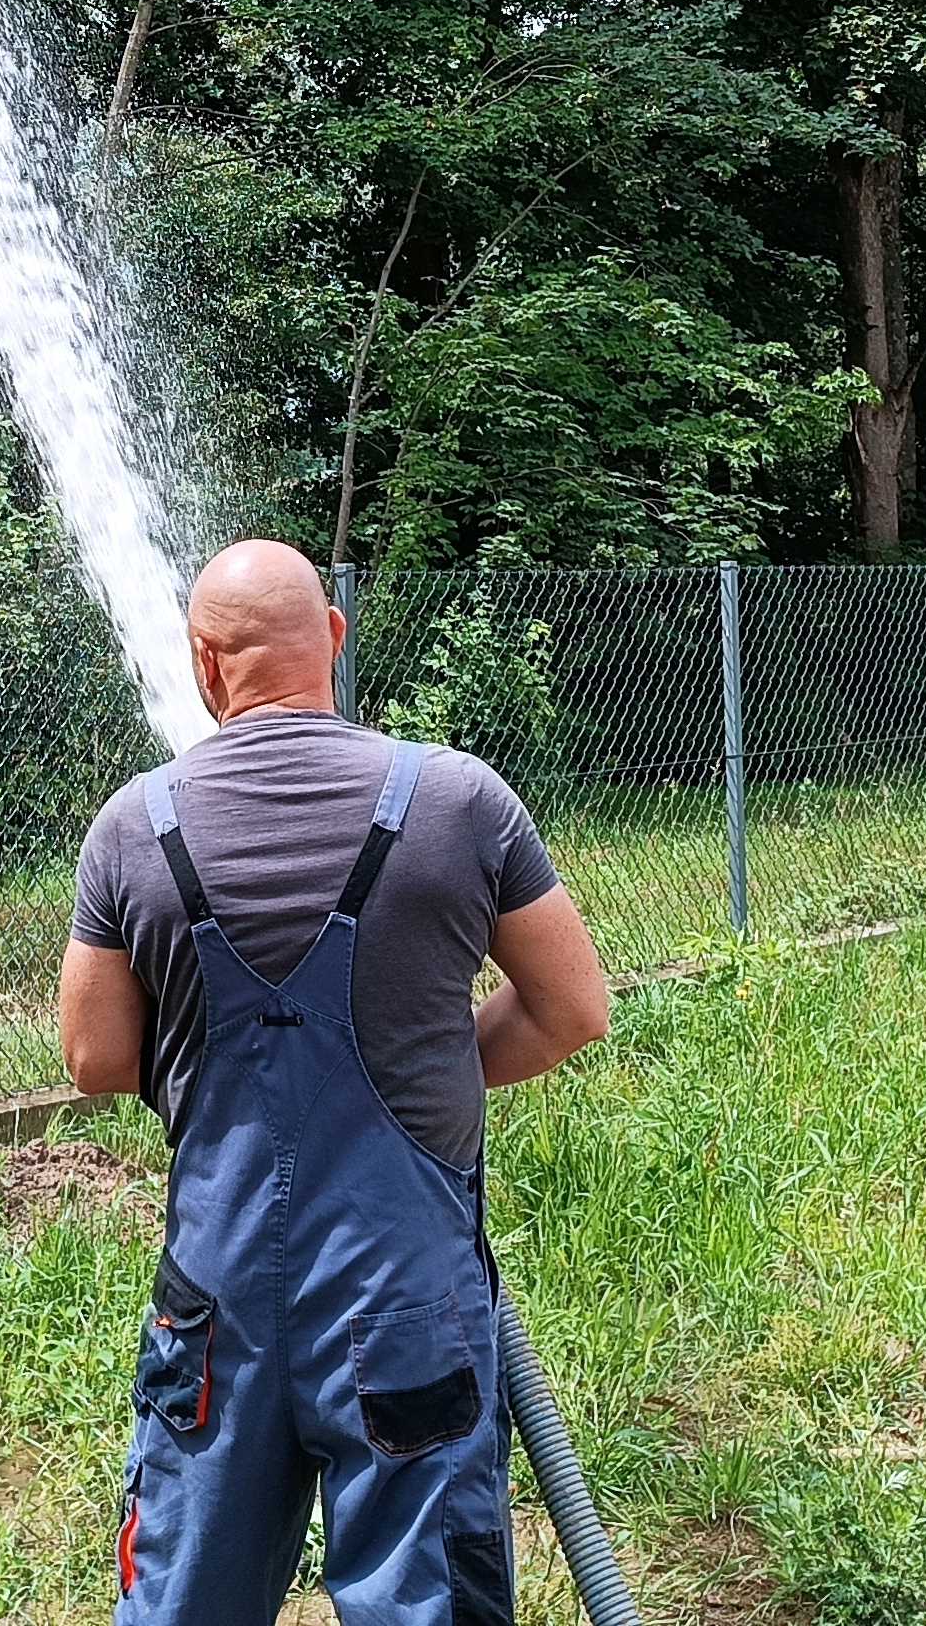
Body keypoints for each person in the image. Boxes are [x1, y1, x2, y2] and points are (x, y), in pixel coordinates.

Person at [60, 540, 613, 1626]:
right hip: (408, 1301)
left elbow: (94, 1057)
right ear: (334, 638)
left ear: (204, 662)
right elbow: (572, 1009)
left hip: (213, 1316)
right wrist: (426, 1076)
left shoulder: (133, 826)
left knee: (183, 1602)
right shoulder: (458, 802)